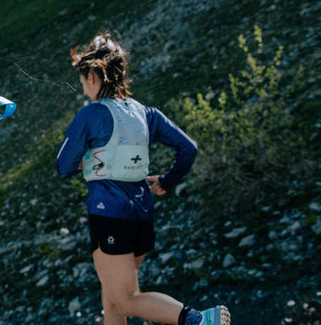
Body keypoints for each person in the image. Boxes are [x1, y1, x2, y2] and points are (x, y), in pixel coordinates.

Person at [54, 32, 231, 325]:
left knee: (126, 299)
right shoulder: (145, 113)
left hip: (108, 212)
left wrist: (86, 149)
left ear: (94, 77)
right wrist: (168, 180)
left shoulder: (92, 114)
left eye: (83, 80)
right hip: (141, 211)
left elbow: (64, 166)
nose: (83, 88)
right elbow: (188, 148)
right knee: (112, 301)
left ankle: (199, 320)